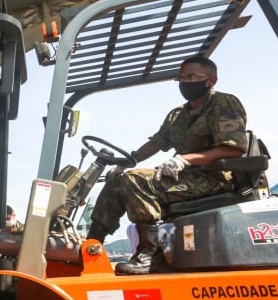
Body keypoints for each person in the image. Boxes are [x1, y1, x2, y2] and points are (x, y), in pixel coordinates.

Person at [86, 55, 247, 275]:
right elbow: (157, 143)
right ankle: (90, 247)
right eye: (182, 78)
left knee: (137, 180)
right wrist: (128, 161)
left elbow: (234, 149)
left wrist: (185, 159)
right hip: (183, 177)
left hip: (213, 179)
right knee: (118, 181)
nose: (185, 82)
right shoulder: (178, 114)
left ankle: (151, 255)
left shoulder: (224, 104)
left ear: (211, 80)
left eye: (192, 76)